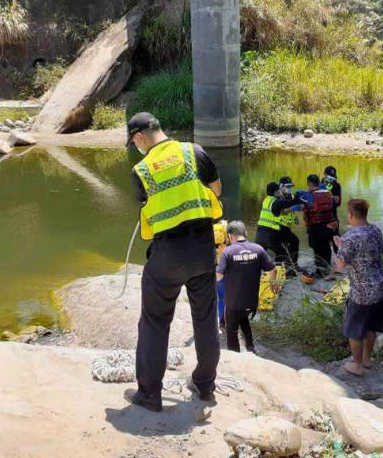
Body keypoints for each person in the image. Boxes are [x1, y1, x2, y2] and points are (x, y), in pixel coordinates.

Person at [125, 112, 222, 412]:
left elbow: (148, 205)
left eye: (134, 142)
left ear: (140, 138)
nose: (135, 147)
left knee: (154, 322)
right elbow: (217, 190)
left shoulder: (141, 170)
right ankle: (205, 385)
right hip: (203, 248)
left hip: (167, 254)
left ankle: (150, 394)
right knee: (205, 319)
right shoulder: (195, 152)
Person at [333, 199, 383, 377]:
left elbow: (340, 265)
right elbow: (365, 251)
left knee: (354, 329)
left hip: (362, 291)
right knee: (371, 325)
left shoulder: (350, 237)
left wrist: (338, 249)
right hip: (380, 286)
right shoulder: (375, 230)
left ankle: (357, 366)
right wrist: (344, 246)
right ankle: (366, 359)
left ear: (350, 215)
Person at [216, 221, 277, 354]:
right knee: (244, 319)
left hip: (233, 302)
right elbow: (272, 269)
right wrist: (274, 285)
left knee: (231, 330)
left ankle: (235, 354)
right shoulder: (258, 249)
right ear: (246, 233)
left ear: (230, 236)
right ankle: (250, 347)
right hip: (251, 302)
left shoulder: (228, 251)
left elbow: (219, 276)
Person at [255, 180, 299, 274]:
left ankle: (258, 275)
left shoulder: (266, 200)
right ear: (275, 192)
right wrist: (297, 200)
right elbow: (286, 204)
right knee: (283, 254)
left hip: (259, 234)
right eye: (278, 191)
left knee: (259, 257)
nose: (279, 192)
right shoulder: (275, 202)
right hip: (269, 236)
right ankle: (285, 273)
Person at [300, 174, 338, 276]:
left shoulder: (308, 196)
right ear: (318, 183)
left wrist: (306, 223)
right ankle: (327, 267)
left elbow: (305, 212)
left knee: (317, 249)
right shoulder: (329, 194)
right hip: (328, 227)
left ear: (308, 184)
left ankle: (320, 271)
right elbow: (333, 209)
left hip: (315, 227)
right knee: (326, 247)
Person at [322, 166, 342, 251]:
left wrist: (327, 195)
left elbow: (337, 201)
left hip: (332, 216)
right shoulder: (318, 185)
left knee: (336, 241)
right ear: (325, 175)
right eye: (330, 176)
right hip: (321, 218)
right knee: (323, 244)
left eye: (333, 177)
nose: (332, 179)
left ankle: (340, 261)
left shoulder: (336, 185)